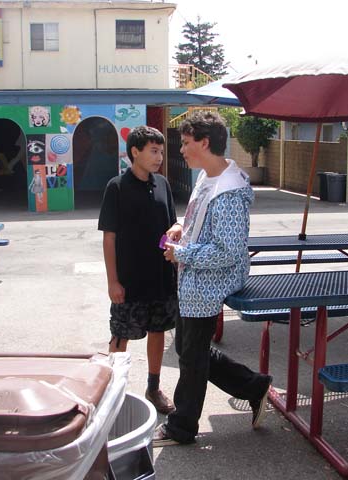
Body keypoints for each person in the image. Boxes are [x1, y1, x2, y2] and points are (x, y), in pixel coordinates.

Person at [154, 111, 272, 446]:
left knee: (191, 357)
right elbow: (199, 219)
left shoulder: (229, 190)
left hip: (210, 280)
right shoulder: (209, 176)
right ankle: (254, 386)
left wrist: (182, 254)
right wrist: (181, 227)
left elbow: (228, 252)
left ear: (204, 143)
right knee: (187, 348)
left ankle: (181, 427)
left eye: (186, 143)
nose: (181, 150)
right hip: (195, 277)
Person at [98, 125, 179, 414]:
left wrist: (176, 231)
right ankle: (110, 392)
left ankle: (153, 388)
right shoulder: (117, 187)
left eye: (161, 152)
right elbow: (109, 237)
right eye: (153, 151)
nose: (159, 157)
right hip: (129, 281)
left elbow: (173, 223)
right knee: (121, 336)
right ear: (135, 151)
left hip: (162, 278)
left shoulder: (163, 184)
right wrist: (113, 281)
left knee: (158, 331)